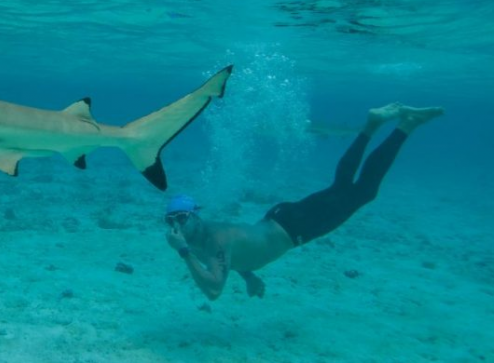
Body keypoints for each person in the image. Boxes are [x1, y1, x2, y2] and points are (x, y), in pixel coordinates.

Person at [165, 103, 444, 300]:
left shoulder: (211, 240)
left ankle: (404, 125)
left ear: (196, 215)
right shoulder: (200, 239)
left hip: (294, 227)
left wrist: (183, 252)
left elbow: (214, 290)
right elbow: (233, 255)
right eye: (171, 220)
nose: (177, 225)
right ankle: (374, 125)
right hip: (280, 219)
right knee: (343, 187)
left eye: (183, 217)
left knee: (363, 192)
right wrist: (249, 276)